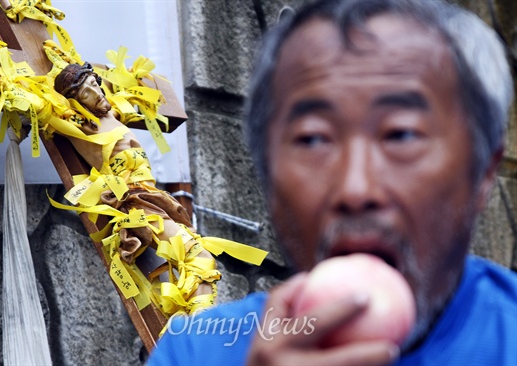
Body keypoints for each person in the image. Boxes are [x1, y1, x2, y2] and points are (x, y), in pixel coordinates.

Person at [147, 0, 517, 365]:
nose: (355, 190)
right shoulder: (195, 353)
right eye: (313, 139)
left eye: (401, 135)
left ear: (483, 173)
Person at [52, 63, 267, 316]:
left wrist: (128, 74)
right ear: (75, 102)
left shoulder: (109, 111)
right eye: (86, 93)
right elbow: (36, 103)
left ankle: (193, 328)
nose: (96, 93)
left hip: (152, 197)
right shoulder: (81, 125)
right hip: (137, 206)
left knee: (194, 264)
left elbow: (110, 76)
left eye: (94, 85)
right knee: (200, 258)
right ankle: (200, 333)